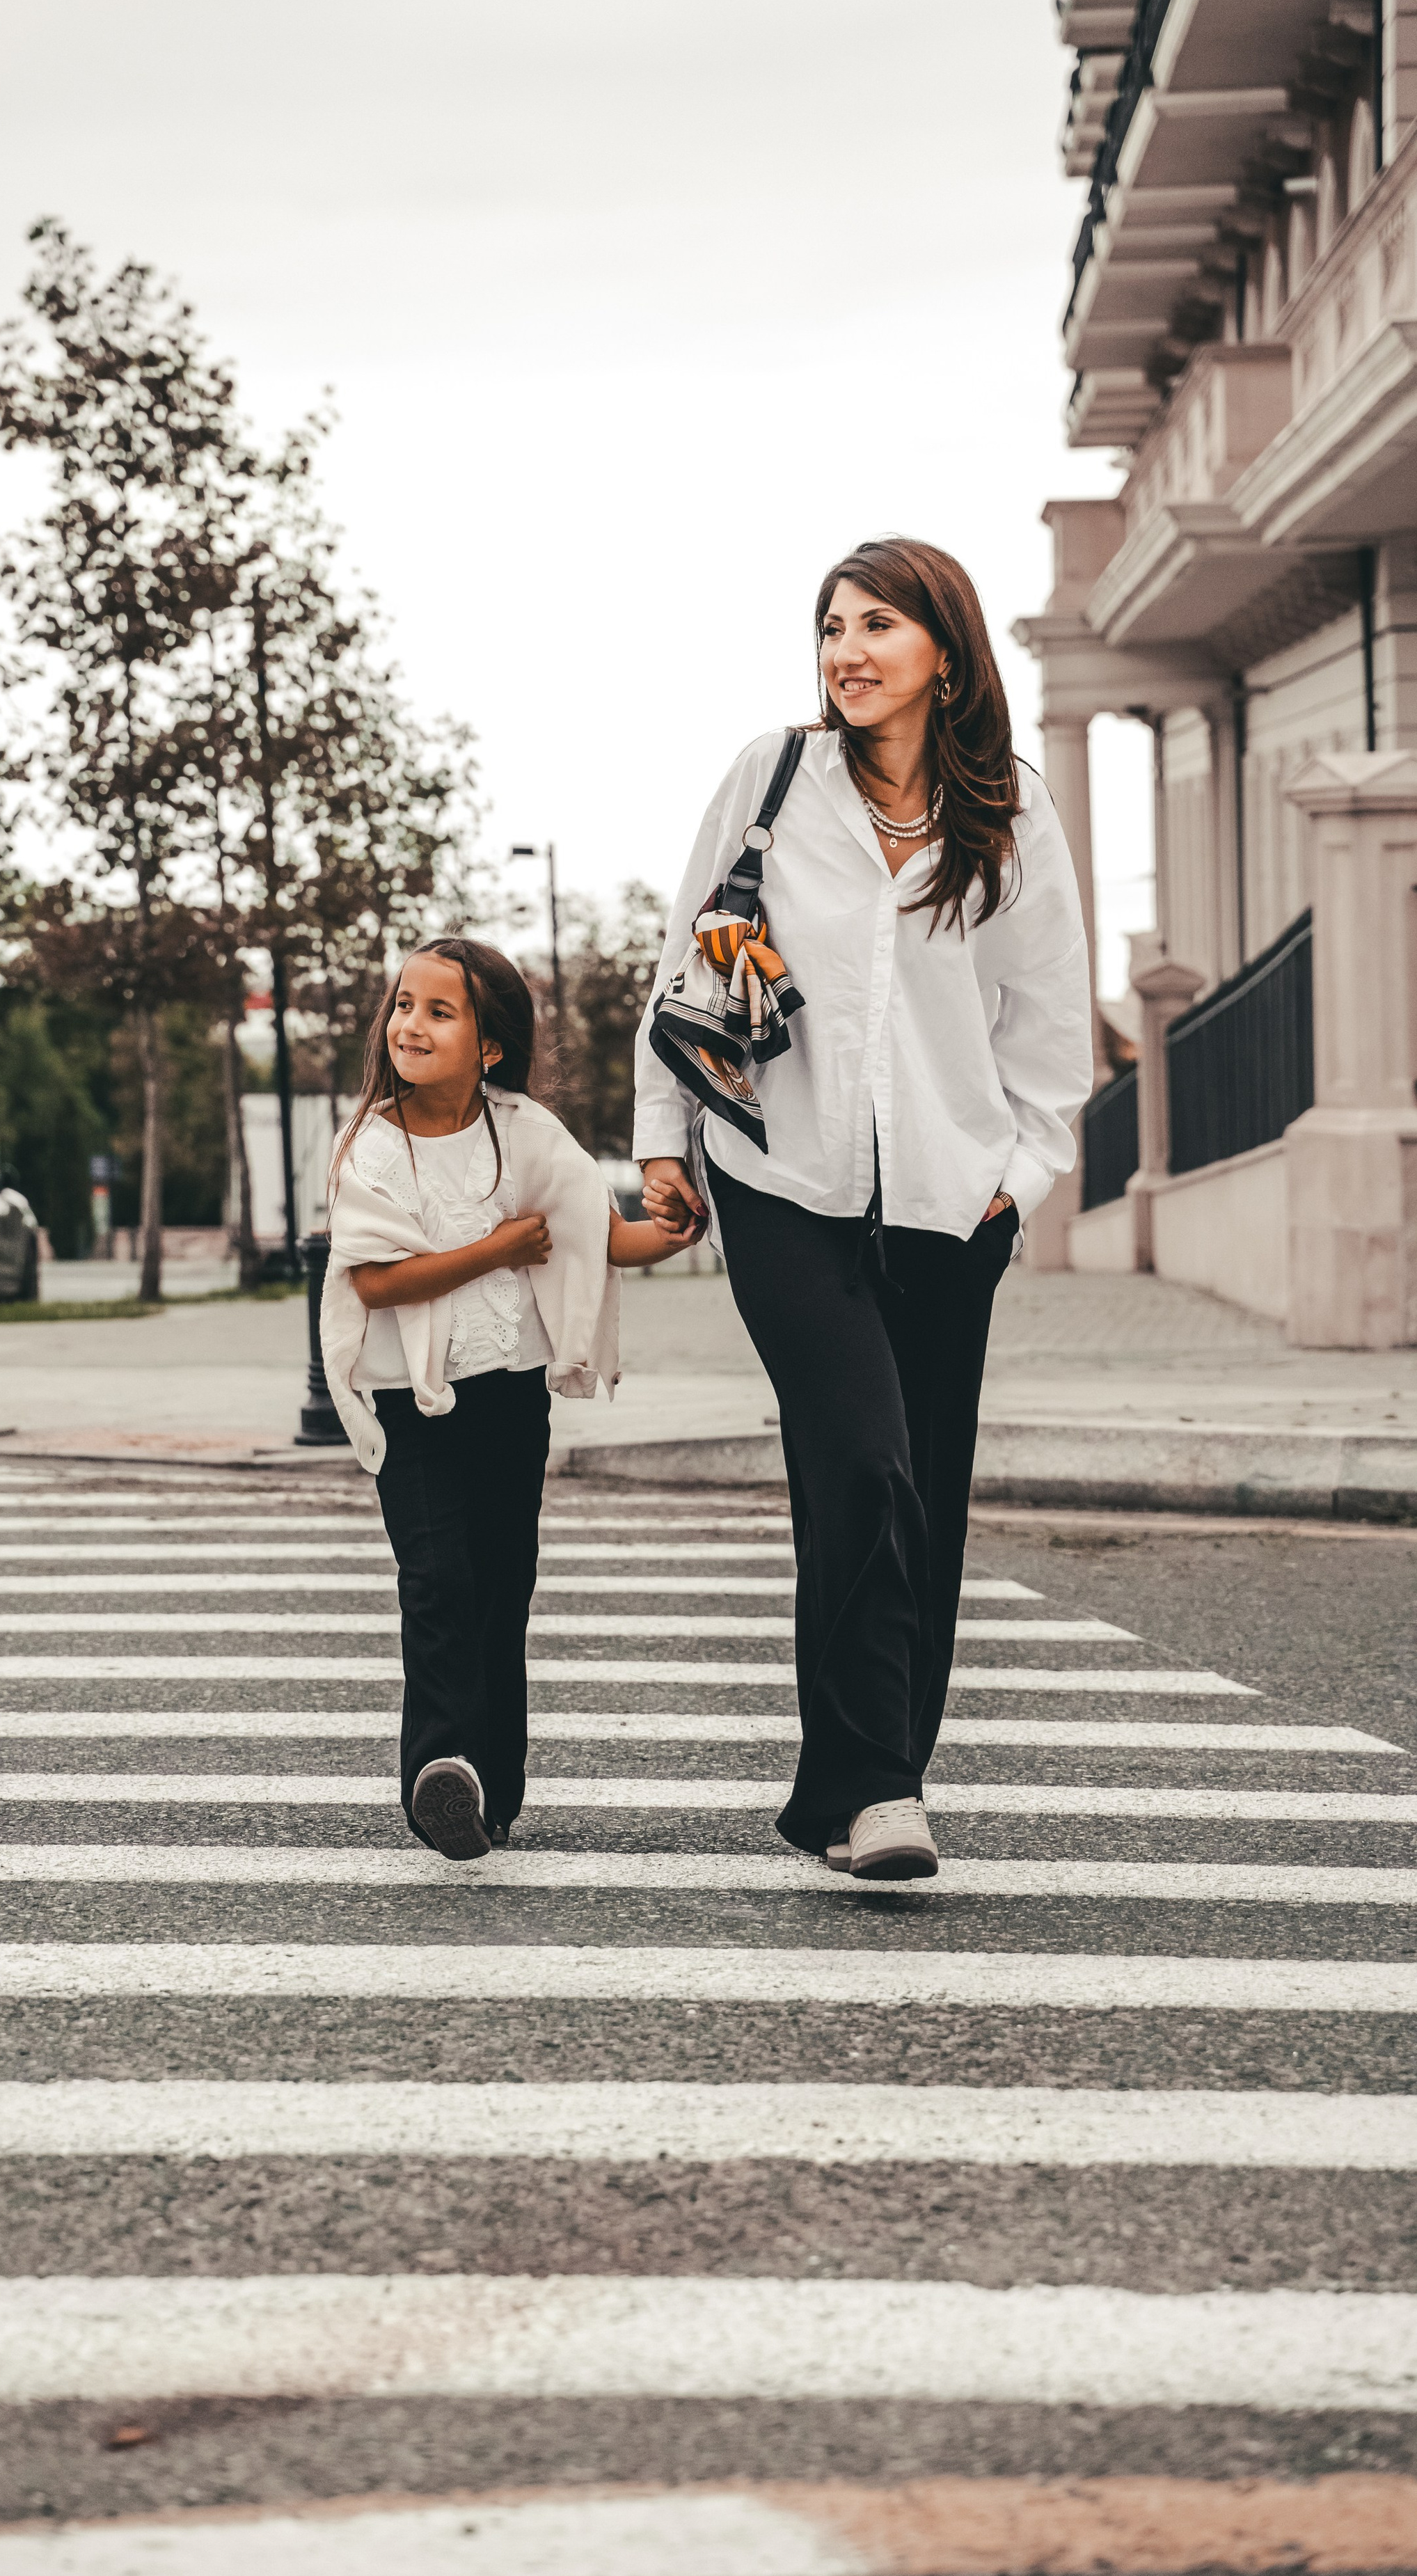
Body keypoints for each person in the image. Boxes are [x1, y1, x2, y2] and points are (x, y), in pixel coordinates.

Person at [633, 537, 1092, 1882]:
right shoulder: (773, 779)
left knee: (916, 1495)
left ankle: (847, 1789)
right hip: (782, 1178)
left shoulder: (1009, 808)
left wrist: (1022, 1179)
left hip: (953, 1201)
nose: (847, 650)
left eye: (878, 625)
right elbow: (685, 961)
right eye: (832, 626)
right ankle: (885, 1788)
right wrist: (667, 1145)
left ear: (943, 650)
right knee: (862, 1457)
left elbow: (1051, 1022)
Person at [322, 935, 699, 1860]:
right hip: (410, 1400)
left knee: (501, 1585)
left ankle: (490, 1784)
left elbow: (599, 1236)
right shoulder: (373, 1144)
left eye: (438, 1011)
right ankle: (439, 1766)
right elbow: (376, 1282)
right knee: (437, 1579)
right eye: (404, 1004)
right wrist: (495, 1249)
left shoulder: (525, 1131)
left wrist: (676, 1232)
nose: (410, 1024)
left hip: (512, 1393)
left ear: (488, 1045)